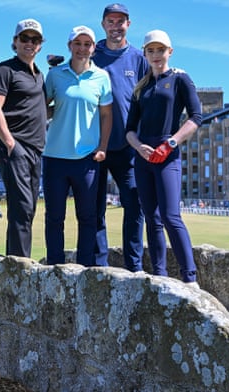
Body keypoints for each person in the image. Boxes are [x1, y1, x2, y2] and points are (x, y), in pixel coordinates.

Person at [125, 30, 201, 285]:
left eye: (160, 50)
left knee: (170, 216)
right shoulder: (141, 87)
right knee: (152, 218)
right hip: (144, 158)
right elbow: (129, 130)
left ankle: (190, 278)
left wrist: (171, 143)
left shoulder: (180, 79)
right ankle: (160, 276)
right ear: (145, 54)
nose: (156, 55)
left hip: (167, 155)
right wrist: (139, 147)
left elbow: (195, 117)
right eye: (151, 51)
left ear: (170, 51)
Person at [43, 25, 112, 266]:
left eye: (87, 44)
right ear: (70, 46)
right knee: (54, 218)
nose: (82, 49)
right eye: (78, 44)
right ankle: (54, 266)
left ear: (93, 48)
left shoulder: (101, 77)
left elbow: (106, 115)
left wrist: (103, 146)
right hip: (54, 157)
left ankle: (85, 269)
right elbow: (42, 107)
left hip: (86, 160)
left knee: (88, 217)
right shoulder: (55, 75)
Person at [92, 3, 149, 271]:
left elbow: (149, 99)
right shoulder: (92, 54)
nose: (116, 26)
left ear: (129, 24)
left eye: (121, 21)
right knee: (94, 209)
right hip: (95, 145)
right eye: (111, 21)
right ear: (103, 24)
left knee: (135, 204)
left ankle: (134, 266)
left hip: (128, 146)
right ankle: (99, 266)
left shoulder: (139, 59)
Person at [0, 18, 47, 258]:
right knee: (21, 209)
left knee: (29, 209)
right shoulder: (4, 70)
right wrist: (11, 143)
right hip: (16, 147)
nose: (29, 43)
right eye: (25, 38)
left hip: (36, 149)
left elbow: (39, 108)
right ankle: (20, 269)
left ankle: (16, 262)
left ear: (40, 45)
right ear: (15, 42)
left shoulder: (39, 75)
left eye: (35, 39)